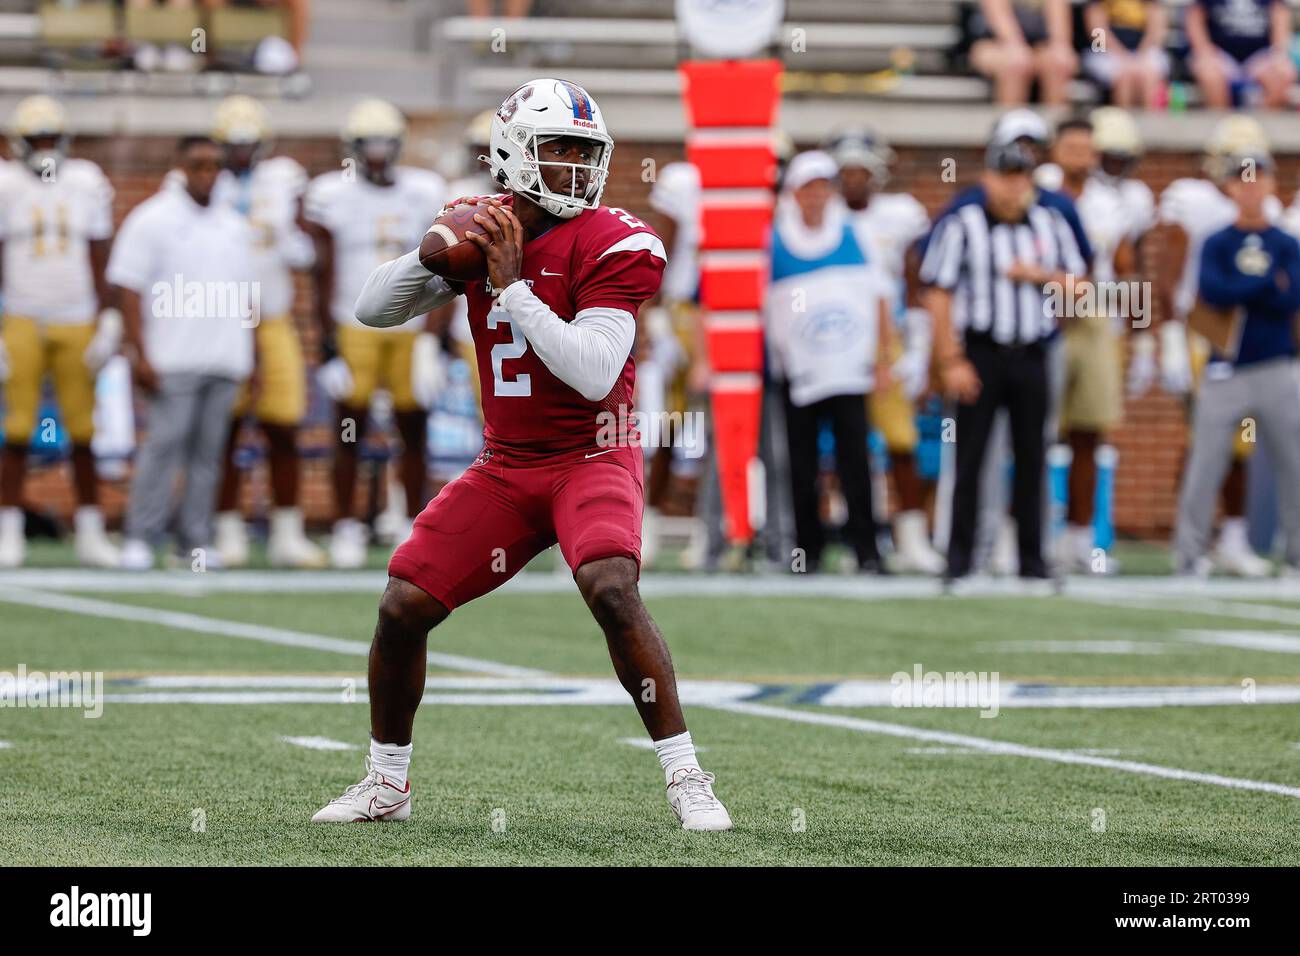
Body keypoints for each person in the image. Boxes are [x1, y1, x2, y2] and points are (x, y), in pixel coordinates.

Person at [311, 78, 732, 831]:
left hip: (591, 453)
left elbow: (595, 371)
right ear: (512, 154)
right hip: (506, 463)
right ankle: (387, 783)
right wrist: (439, 256)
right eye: (558, 150)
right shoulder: (487, 231)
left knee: (610, 584)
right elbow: (371, 309)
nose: (575, 166)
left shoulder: (617, 241)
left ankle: (687, 776)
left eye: (585, 152)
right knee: (402, 605)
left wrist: (510, 287)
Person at [921, 140, 1087, 584]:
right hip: (981, 352)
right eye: (1005, 176)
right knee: (970, 459)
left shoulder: (1050, 222)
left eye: (1021, 177)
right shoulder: (963, 223)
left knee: (1034, 457)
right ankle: (960, 559)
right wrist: (951, 358)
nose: (1013, 187)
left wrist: (1039, 275)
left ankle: (1032, 561)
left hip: (1033, 351)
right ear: (988, 178)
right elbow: (937, 292)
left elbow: (1082, 287)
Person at [303, 99, 446, 568]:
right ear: (353, 147)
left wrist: (432, 340)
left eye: (386, 142)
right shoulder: (331, 193)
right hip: (353, 323)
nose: (378, 153)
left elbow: (447, 266)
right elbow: (320, 272)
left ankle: (410, 522)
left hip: (411, 323)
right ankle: (347, 524)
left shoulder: (424, 191)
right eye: (370, 143)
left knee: (414, 429)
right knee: (350, 428)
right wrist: (326, 346)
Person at [108, 136, 257, 570]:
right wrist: (139, 352)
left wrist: (254, 357)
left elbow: (249, 296)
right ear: (181, 168)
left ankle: (193, 542)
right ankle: (139, 535)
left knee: (208, 456)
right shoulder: (152, 219)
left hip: (226, 358)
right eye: (198, 166)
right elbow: (128, 289)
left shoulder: (233, 224)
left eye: (215, 166)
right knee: (163, 448)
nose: (207, 174)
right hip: (172, 357)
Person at [1155, 115, 1282, 576]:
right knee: (1203, 442)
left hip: (1252, 342)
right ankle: (1192, 539)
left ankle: (1233, 535)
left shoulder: (1268, 214)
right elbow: (1169, 281)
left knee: (1243, 443)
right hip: (1202, 333)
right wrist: (1168, 339)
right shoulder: (1192, 201)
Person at [0, 96, 122, 569]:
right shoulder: (6, 183)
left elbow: (99, 251)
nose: (46, 149)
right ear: (20, 143)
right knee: (15, 430)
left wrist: (108, 317)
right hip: (22, 318)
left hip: (77, 317)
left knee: (84, 432)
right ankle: (9, 528)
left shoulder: (85, 181)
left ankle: (90, 531)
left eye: (52, 139)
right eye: (38, 140)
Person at [207, 95, 324, 569]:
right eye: (233, 145)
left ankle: (286, 533)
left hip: (273, 318)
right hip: (220, 320)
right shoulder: (199, 183)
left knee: (282, 424)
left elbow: (305, 252)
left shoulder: (282, 178)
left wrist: (290, 237)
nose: (241, 153)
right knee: (224, 428)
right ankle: (225, 530)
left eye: (248, 144)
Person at [767, 150, 894, 574]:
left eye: (823, 188)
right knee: (801, 466)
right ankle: (808, 553)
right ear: (794, 193)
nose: (816, 197)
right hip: (797, 373)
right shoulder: (775, 240)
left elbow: (879, 298)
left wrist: (882, 361)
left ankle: (868, 553)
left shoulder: (856, 234)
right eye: (808, 188)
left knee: (856, 463)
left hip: (849, 373)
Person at [1174, 149, 1300, 577]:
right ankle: (1190, 554)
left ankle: (1296, 557)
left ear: (1270, 185)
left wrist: (1245, 286)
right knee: (1206, 460)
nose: (1250, 188)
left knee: (1293, 462)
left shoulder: (1286, 242)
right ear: (1229, 186)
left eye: (1257, 179)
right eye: (1242, 180)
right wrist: (1264, 282)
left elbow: (1292, 296)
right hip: (1225, 367)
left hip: (1276, 365)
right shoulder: (1216, 240)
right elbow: (1214, 290)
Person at [828, 128, 945, 574]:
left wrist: (917, 345)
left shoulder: (900, 214)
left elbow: (915, 281)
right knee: (844, 445)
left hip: (887, 339)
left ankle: (912, 537)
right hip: (835, 339)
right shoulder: (823, 213)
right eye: (847, 172)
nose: (855, 180)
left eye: (863, 171)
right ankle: (850, 535)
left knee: (901, 440)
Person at [1035, 116, 1140, 573]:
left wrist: (1139, 331)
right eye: (1070, 146)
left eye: (1086, 147)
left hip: (1096, 313)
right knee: (1032, 431)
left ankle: (1080, 539)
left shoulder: (1110, 202)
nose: (1079, 154)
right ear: (1055, 150)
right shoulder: (1037, 191)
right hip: (1039, 314)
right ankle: (1029, 533)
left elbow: (1124, 266)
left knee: (1088, 431)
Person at [1185, 0, 1296, 108]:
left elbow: (1281, 16)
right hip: (1219, 55)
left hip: (1261, 56)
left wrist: (1278, 54)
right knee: (1209, 73)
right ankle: (1222, 123)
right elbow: (1194, 18)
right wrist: (1204, 51)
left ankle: (1260, 122)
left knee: (1283, 73)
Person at [969, 0, 1078, 106]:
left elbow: (1060, 37)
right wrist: (1016, 48)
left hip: (1037, 47)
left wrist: (1061, 49)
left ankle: (1055, 122)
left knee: (1058, 64)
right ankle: (1011, 121)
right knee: (1016, 64)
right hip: (993, 44)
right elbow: (1001, 23)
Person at [1082, 0, 1169, 109]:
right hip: (1106, 50)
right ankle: (1124, 121)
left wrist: (1139, 56)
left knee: (1149, 76)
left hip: (1143, 51)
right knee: (1123, 76)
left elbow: (1157, 30)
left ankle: (1151, 122)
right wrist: (1123, 56)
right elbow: (1097, 31)